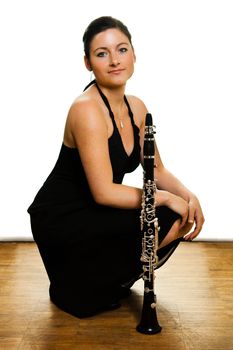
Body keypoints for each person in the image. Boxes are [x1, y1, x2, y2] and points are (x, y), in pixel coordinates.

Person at [27, 16, 204, 318]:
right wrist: (165, 198)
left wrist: (190, 196)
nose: (114, 61)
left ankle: (107, 276)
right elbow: (104, 192)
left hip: (97, 213)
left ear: (134, 54)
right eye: (101, 53)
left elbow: (156, 170)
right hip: (63, 218)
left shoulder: (137, 106)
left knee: (177, 212)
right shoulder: (86, 109)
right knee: (166, 212)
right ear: (88, 63)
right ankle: (87, 276)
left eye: (121, 50)